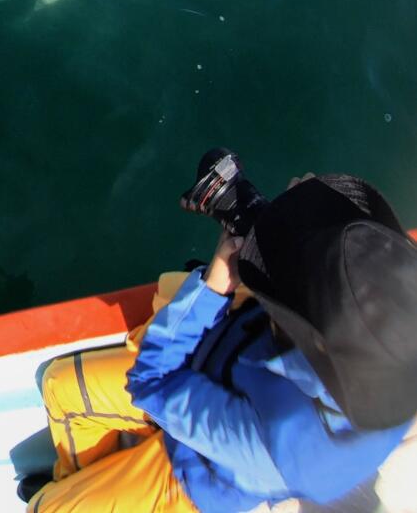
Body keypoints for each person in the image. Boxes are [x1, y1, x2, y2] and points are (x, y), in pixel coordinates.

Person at [21, 172, 417, 512]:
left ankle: (61, 495)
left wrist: (214, 288)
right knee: (60, 384)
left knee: (46, 509)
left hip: (193, 467)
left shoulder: (284, 447)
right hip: (221, 370)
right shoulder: (390, 318)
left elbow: (150, 381)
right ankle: (84, 478)